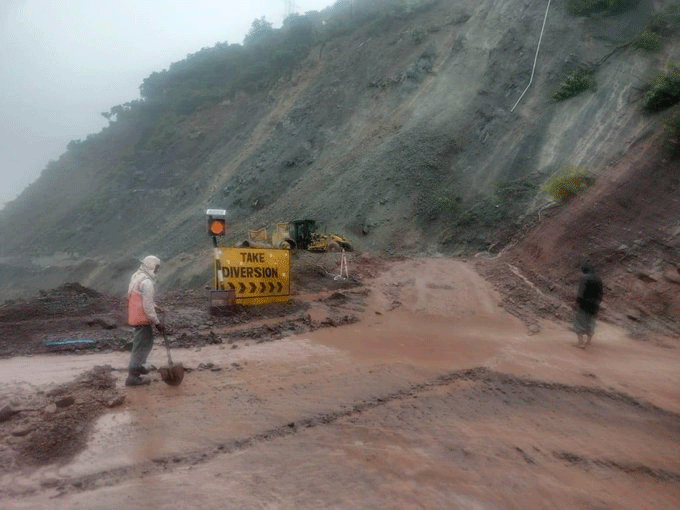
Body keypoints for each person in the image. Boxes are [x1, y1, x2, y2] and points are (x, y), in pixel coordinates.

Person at [126, 255, 164, 386]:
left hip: (136, 317)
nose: (157, 270)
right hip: (142, 318)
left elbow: (142, 299)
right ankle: (133, 377)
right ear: (151, 266)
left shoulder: (136, 277)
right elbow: (147, 306)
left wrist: (156, 307)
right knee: (141, 346)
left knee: (145, 343)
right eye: (157, 267)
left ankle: (139, 366)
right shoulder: (147, 282)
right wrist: (158, 323)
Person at [574, 260, 603, 349]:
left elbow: (581, 292)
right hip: (594, 306)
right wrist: (597, 303)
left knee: (580, 323)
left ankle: (580, 342)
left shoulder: (584, 278)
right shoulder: (598, 279)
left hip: (583, 305)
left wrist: (577, 302)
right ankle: (588, 342)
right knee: (591, 324)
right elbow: (601, 293)